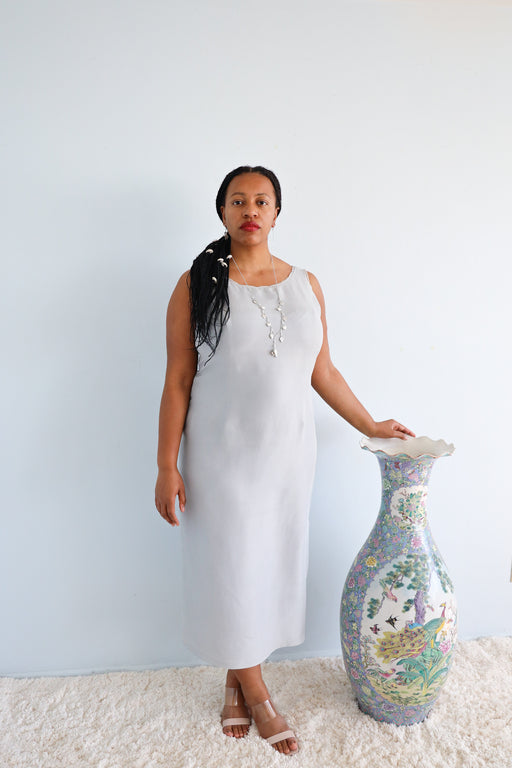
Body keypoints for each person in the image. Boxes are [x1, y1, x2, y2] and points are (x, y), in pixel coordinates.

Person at [155, 165, 415, 755]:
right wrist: (167, 464)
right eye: (237, 200)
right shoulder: (196, 285)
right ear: (222, 211)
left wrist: (371, 424)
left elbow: (323, 371)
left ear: (276, 213)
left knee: (265, 565)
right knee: (230, 564)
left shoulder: (306, 285)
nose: (250, 210)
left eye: (261, 200)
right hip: (221, 452)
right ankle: (259, 693)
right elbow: (177, 381)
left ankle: (234, 680)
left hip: (289, 454)